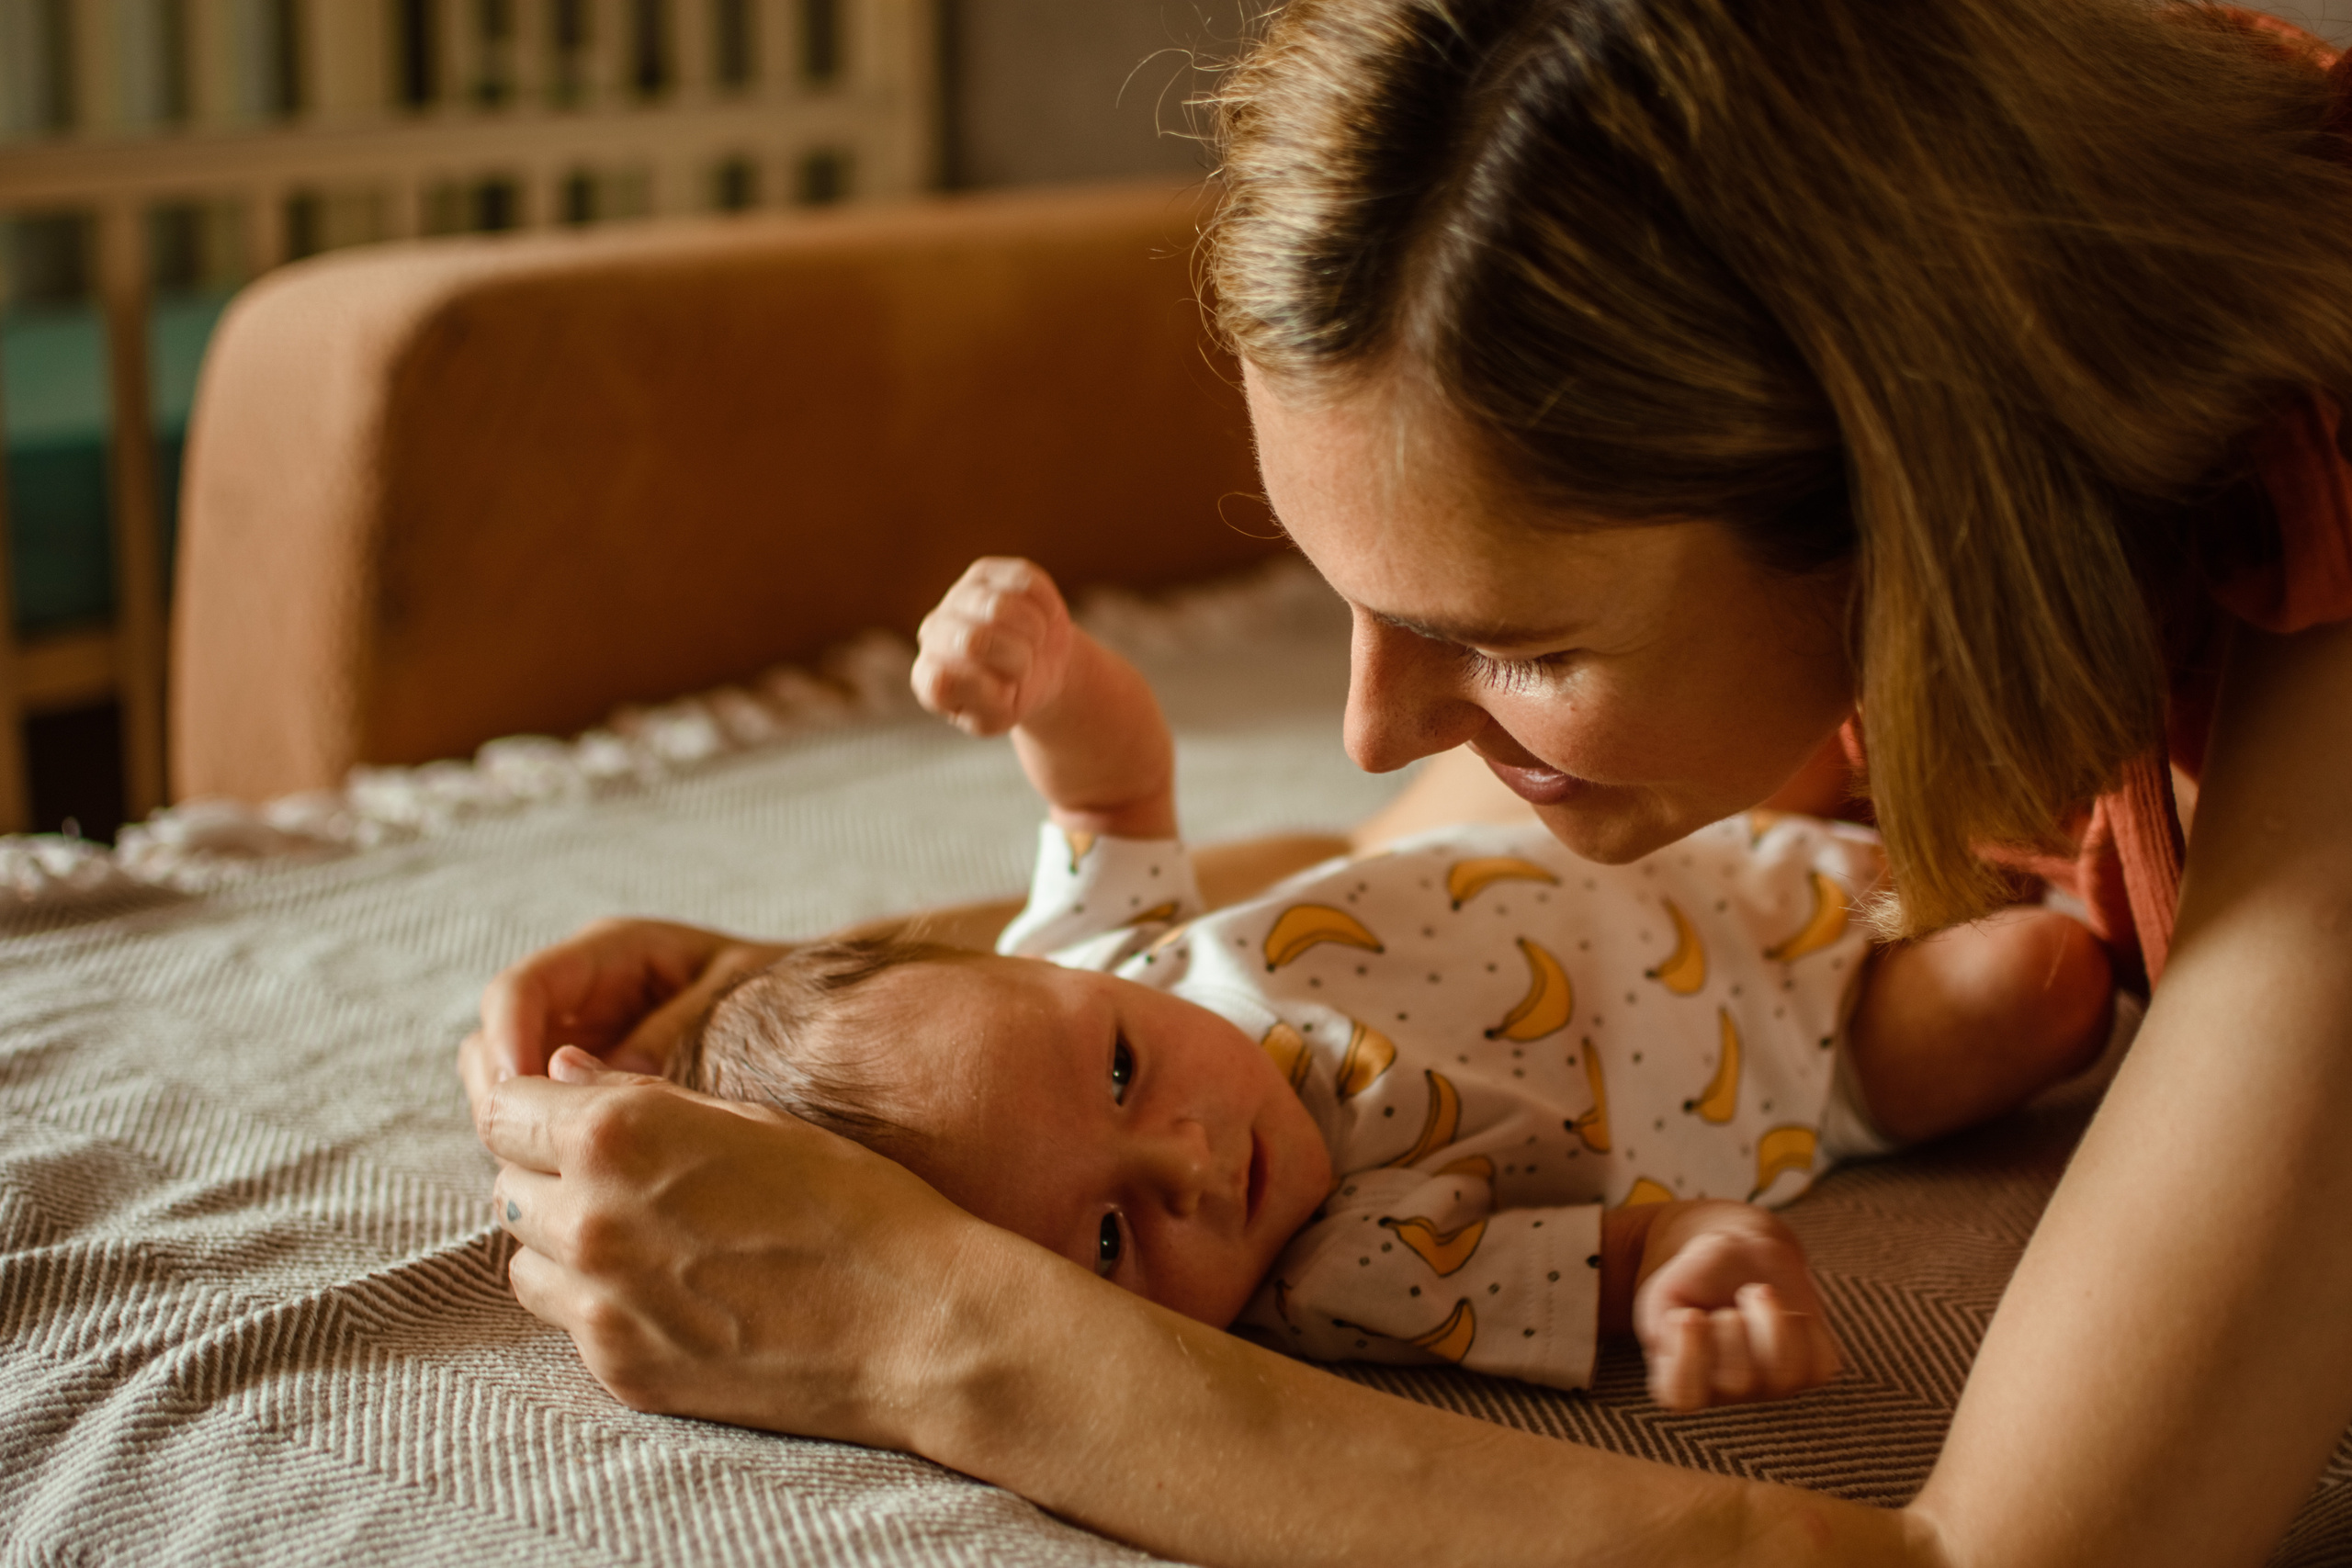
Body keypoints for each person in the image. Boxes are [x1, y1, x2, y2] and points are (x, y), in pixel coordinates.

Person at [462, 0, 2352, 1562]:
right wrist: (822, 991)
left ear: (1912, 527)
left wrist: (920, 1325)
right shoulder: (1983, 484)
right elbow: (1376, 916)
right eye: (1347, 605)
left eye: (1513, 638)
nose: (1373, 724)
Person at [657, 558, 2110, 1407]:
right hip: (1813, 1049)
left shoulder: (1096, 954)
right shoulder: (1339, 1276)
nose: (1194, 1161)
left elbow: (1111, 785)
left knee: (1794, 685)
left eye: (1120, 1074)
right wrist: (1689, 1276)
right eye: (1108, 1244)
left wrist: (1042, 661)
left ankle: (1904, 790)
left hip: (1682, 840)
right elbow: (1605, 1268)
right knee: (2042, 986)